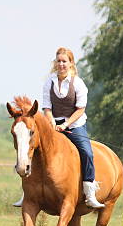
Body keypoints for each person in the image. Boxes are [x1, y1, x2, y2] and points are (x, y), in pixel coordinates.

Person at [13, 47, 105, 209]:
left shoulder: (78, 83)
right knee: (34, 149)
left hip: (75, 124)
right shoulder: (49, 81)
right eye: (59, 61)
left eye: (64, 61)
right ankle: (27, 192)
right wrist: (52, 123)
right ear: (55, 63)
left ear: (71, 63)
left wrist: (65, 125)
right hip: (52, 123)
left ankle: (89, 191)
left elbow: (80, 109)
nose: (61, 64)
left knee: (87, 152)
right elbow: (46, 107)